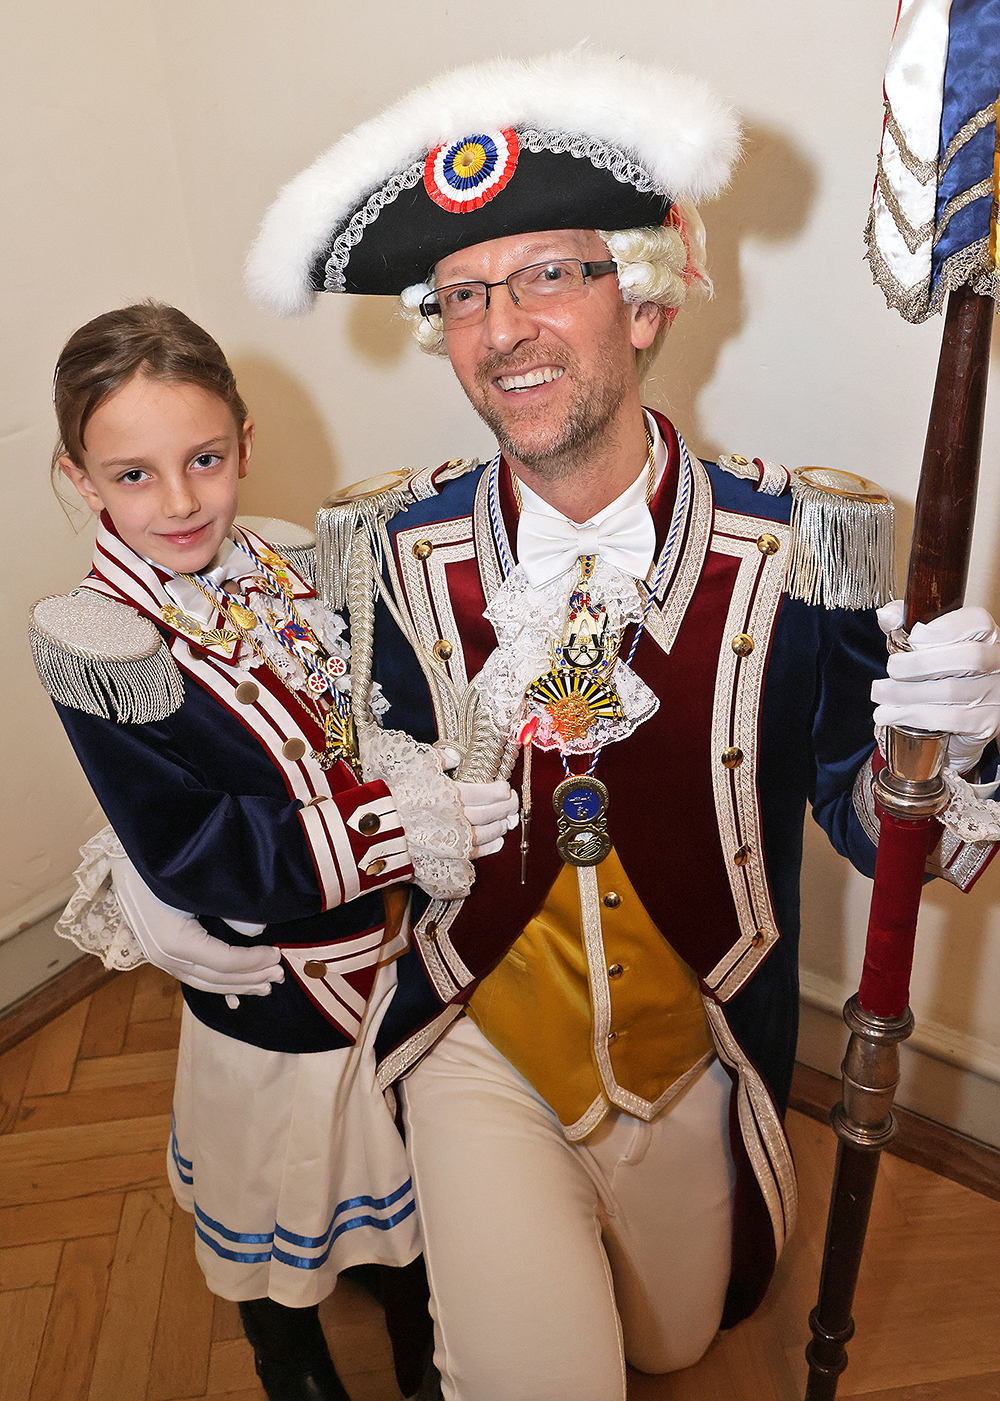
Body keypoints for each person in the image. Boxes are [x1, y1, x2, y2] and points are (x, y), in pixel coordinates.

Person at [245, 49, 1000, 1400]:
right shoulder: (390, 553)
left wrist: (943, 746)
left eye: (548, 275)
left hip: (697, 1042)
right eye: (465, 294)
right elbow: (353, 783)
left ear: (645, 302)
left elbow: (872, 818)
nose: (502, 330)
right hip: (478, 1030)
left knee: (679, 1343)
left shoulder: (802, 544)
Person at [30, 302, 518, 1401]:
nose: (180, 501)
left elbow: (365, 712)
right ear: (80, 479)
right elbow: (193, 841)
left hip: (385, 953)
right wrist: (395, 826)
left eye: (203, 459)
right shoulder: (98, 637)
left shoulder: (292, 555)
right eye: (134, 475)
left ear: (245, 442)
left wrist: (425, 770)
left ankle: (421, 1338)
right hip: (276, 982)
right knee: (269, 1187)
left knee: (401, 1176)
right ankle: (283, 1352)